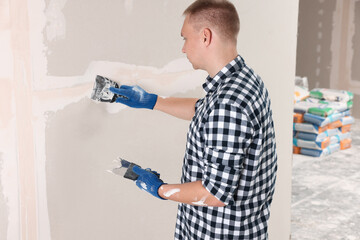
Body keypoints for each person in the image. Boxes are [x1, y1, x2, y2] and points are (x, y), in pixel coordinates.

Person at [109, 0, 277, 239]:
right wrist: (151, 101)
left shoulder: (227, 104)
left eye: (185, 38)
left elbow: (215, 193)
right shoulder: (244, 81)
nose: (183, 48)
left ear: (206, 37)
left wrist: (160, 189)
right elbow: (205, 110)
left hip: (218, 233)